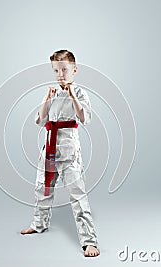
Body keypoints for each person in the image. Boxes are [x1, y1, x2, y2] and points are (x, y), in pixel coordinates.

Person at [20, 49, 100, 257]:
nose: (60, 74)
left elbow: (86, 119)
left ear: (74, 69)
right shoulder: (52, 93)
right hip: (48, 148)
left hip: (69, 150)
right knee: (42, 188)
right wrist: (46, 99)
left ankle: (89, 241)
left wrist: (73, 95)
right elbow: (39, 120)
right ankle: (39, 224)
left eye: (64, 69)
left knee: (77, 195)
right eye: (56, 70)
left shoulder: (80, 93)